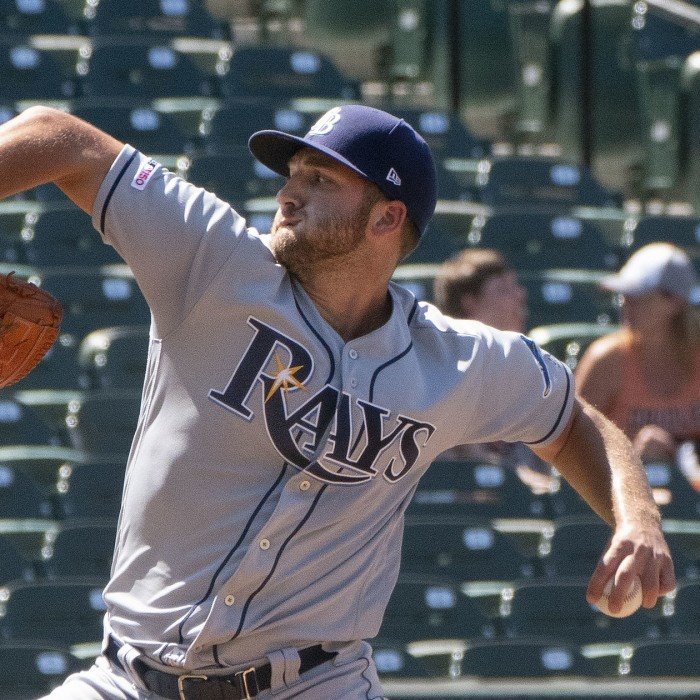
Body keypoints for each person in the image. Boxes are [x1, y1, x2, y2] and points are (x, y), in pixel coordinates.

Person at [0, 104, 674, 699]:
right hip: (131, 678)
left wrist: (637, 519)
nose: (289, 194)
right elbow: (62, 139)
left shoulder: (455, 362)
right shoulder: (214, 261)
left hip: (316, 683)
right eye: (292, 174)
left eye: (321, 180)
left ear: (388, 217)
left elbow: (573, 420)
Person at [576, 242, 700, 486]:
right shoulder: (607, 361)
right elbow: (573, 447)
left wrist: (679, 455)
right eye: (625, 295)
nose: (625, 303)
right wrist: (634, 457)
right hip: (619, 493)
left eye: (638, 295)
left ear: (674, 303)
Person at [433, 247, 555, 493]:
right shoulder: (442, 371)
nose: (519, 295)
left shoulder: (531, 368)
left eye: (516, 286)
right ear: (469, 303)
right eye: (503, 289)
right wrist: (517, 478)